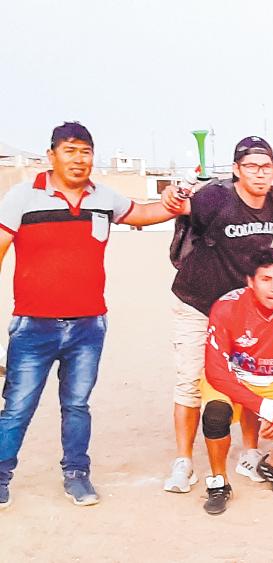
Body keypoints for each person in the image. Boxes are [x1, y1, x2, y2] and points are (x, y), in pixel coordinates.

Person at [0, 121, 179, 508]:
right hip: (33, 326)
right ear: (51, 156)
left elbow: (141, 213)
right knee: (17, 407)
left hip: (88, 326)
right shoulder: (22, 197)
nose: (78, 159)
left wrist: (175, 205)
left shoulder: (103, 197)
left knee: (77, 405)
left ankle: (77, 475)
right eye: (70, 151)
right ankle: (1, 476)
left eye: (85, 152)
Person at [163, 135, 273, 494]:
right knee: (190, 382)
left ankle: (250, 452)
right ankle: (184, 461)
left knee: (249, 377)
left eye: (266, 166)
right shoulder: (216, 197)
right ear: (236, 169)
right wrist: (173, 195)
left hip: (240, 309)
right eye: (251, 166)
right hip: (197, 302)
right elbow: (179, 207)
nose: (259, 173)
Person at [199, 248, 273, 515]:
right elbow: (216, 371)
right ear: (250, 282)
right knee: (215, 415)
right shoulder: (226, 308)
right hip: (235, 376)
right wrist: (266, 408)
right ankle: (219, 482)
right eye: (266, 279)